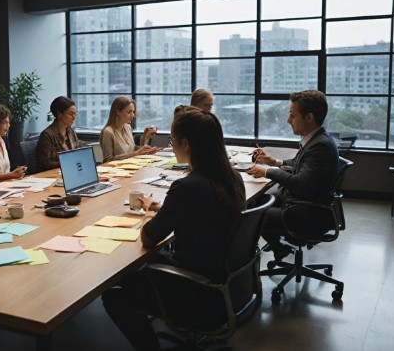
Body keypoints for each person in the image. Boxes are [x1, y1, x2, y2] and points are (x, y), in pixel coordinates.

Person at [102, 105, 246, 351]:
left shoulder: (187, 187)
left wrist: (149, 213)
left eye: (173, 140)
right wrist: (165, 210)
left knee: (114, 292)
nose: (172, 144)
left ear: (187, 144)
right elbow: (205, 215)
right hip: (225, 282)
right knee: (138, 268)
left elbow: (148, 238)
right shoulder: (233, 178)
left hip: (196, 290)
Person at [246, 89, 339, 261]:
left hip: (305, 213)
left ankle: (248, 264)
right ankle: (278, 250)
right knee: (256, 201)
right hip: (304, 203)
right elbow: (298, 164)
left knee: (250, 215)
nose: (288, 120)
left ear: (309, 117)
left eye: (292, 115)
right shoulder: (317, 139)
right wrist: (273, 161)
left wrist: (266, 171)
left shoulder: (320, 147)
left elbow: (300, 183)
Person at [99, 97, 159, 162]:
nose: (133, 115)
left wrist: (146, 150)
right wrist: (136, 153)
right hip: (117, 170)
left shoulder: (127, 127)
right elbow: (108, 160)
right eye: (129, 112)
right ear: (118, 112)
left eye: (133, 111)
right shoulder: (107, 132)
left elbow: (132, 149)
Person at [35, 96, 83, 170]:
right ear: (59, 114)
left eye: (75, 114)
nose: (74, 117)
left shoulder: (70, 131)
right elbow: (44, 164)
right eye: (70, 114)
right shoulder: (47, 135)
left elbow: (77, 152)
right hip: (53, 175)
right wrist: (68, 162)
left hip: (70, 171)